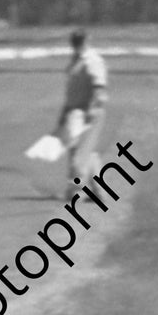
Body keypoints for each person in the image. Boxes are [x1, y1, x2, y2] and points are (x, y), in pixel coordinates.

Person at [54, 29, 108, 201]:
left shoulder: (92, 60)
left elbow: (99, 88)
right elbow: (71, 92)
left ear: (87, 40)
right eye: (74, 41)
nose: (76, 44)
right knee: (87, 153)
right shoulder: (75, 61)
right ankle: (99, 191)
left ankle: (76, 191)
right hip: (74, 111)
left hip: (89, 112)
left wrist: (93, 109)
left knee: (78, 155)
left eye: (79, 41)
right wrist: (64, 113)